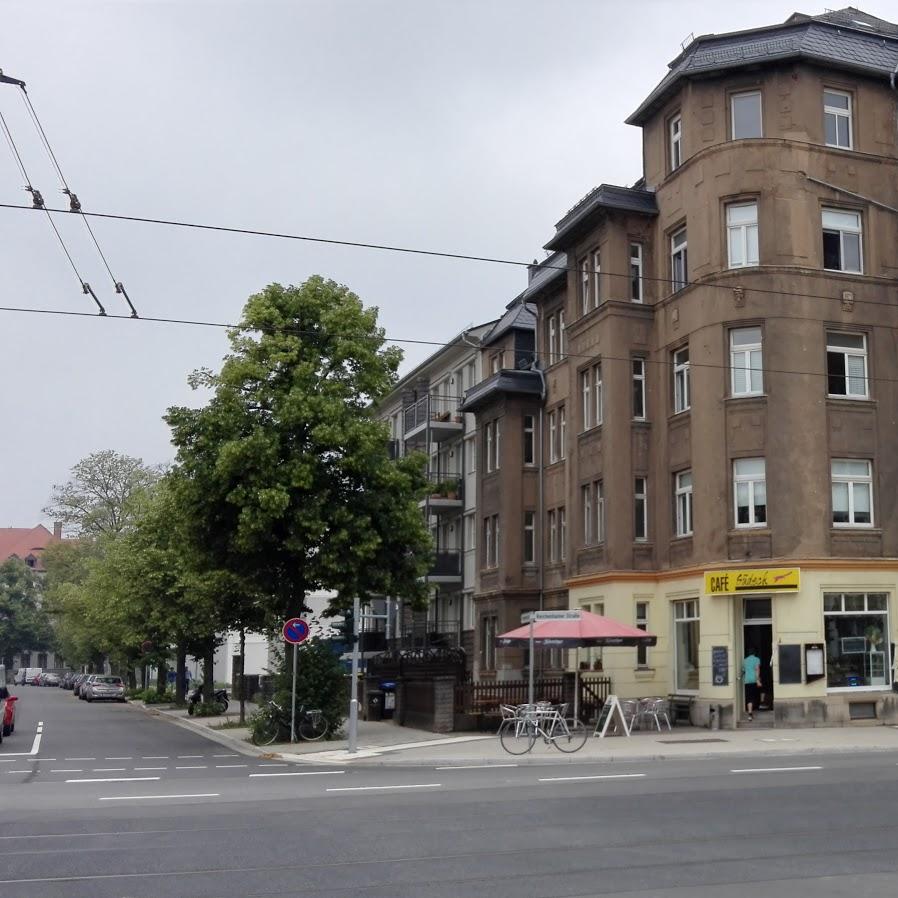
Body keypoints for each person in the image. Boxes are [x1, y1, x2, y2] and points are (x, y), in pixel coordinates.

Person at [743, 646, 761, 721]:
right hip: (754, 680)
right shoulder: (757, 659)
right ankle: (756, 708)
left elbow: (743, 670)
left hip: (747, 681)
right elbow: (757, 669)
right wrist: (758, 680)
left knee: (749, 697)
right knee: (755, 696)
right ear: (755, 653)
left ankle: (750, 714)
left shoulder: (745, 660)